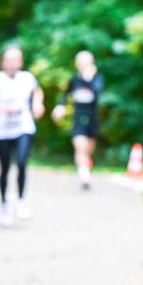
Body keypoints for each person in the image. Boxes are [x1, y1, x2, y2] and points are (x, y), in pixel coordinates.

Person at [0, 45, 45, 227]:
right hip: (2, 131)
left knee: (22, 163)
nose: (13, 62)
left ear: (21, 61)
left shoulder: (27, 78)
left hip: (23, 127)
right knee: (5, 168)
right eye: (9, 59)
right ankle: (4, 206)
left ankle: (21, 201)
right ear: (3, 62)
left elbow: (37, 91)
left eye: (17, 59)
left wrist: (37, 104)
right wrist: (0, 109)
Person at [52, 50, 104, 190]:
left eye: (85, 63)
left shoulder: (96, 78)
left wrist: (89, 78)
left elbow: (98, 90)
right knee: (80, 147)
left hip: (92, 119)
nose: (82, 66)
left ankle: (86, 166)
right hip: (78, 118)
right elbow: (64, 95)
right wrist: (60, 107)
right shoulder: (74, 79)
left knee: (88, 150)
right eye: (80, 63)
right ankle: (84, 175)